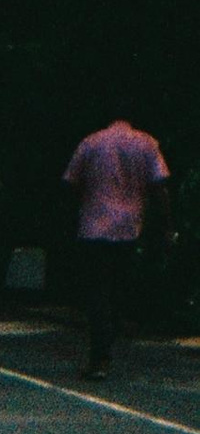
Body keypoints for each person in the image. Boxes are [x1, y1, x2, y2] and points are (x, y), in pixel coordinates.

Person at [63, 110, 171, 379]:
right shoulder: (147, 143)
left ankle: (100, 354)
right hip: (129, 227)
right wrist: (166, 224)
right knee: (118, 286)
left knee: (97, 289)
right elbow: (160, 185)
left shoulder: (91, 142)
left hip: (94, 226)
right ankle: (110, 335)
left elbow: (71, 181)